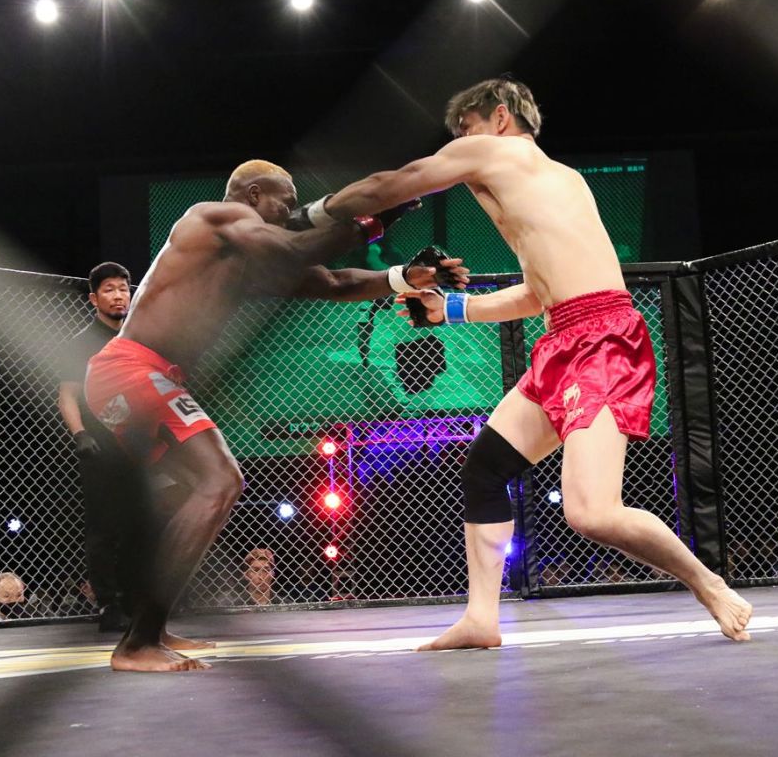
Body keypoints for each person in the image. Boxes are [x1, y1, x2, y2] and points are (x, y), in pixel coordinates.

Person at [316, 78, 752, 649]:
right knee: (484, 469)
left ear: (499, 118)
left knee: (592, 513)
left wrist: (312, 215)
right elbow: (536, 295)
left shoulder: (495, 152)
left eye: (465, 129)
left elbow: (390, 184)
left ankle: (707, 582)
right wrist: (449, 309)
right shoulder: (559, 181)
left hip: (602, 340)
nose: (460, 144)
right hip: (565, 338)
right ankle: (481, 619)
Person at [85, 159, 463, 671]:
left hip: (144, 376)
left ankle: (148, 628)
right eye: (284, 202)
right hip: (132, 370)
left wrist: (401, 277)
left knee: (184, 498)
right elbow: (296, 247)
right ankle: (137, 644)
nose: (290, 212)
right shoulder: (212, 216)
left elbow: (333, 282)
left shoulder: (246, 264)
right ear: (253, 195)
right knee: (221, 481)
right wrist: (378, 218)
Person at [57, 261, 136, 632]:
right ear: (94, 298)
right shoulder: (82, 343)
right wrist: (80, 434)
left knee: (143, 525)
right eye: (109, 289)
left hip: (140, 446)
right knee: (104, 528)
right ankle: (108, 604)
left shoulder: (138, 337)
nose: (119, 295)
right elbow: (66, 396)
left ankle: (137, 600)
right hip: (100, 447)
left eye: (123, 288)